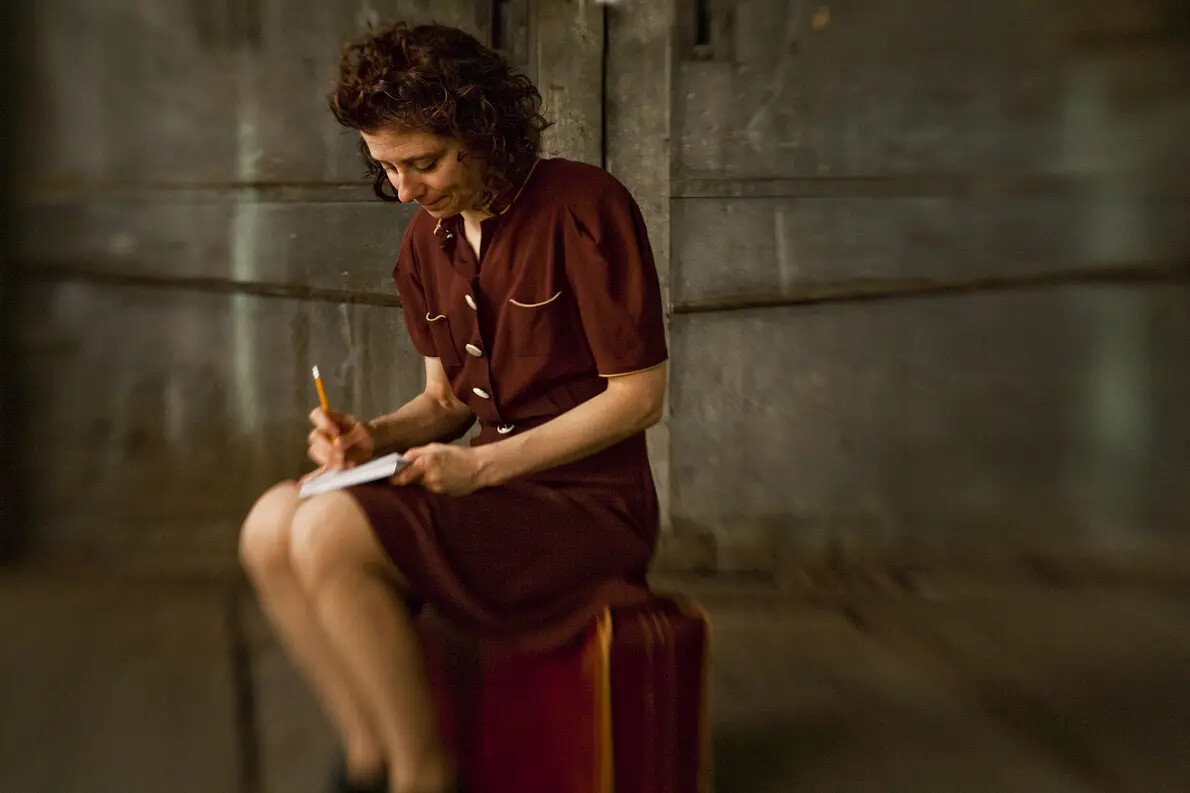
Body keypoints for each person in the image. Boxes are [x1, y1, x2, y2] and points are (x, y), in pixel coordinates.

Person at [238, 21, 667, 793]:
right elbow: (444, 400)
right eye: (388, 168)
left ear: (481, 128)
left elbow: (638, 398)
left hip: (586, 507)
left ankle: (423, 772)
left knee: (331, 530)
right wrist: (373, 435)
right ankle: (368, 756)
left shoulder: (584, 205)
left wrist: (482, 466)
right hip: (486, 489)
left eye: (422, 164)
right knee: (272, 523)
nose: (403, 190)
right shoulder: (422, 244)